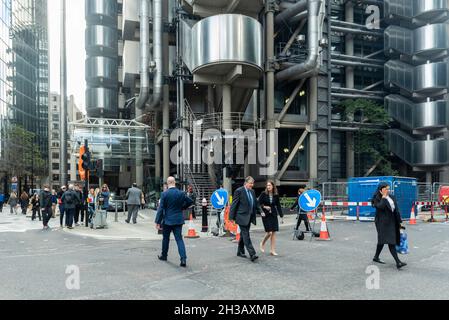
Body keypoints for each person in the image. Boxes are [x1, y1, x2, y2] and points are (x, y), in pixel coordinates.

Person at [155, 177, 194, 268]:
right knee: (179, 239)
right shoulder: (181, 193)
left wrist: (157, 221)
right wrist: (182, 207)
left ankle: (164, 256)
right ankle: (183, 259)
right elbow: (190, 201)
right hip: (178, 219)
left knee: (165, 238)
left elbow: (160, 209)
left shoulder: (164, 194)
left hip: (167, 220)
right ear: (174, 183)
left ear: (168, 183)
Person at [372, 182, 407, 270]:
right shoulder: (376, 198)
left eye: (388, 188)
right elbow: (380, 207)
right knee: (391, 241)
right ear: (381, 190)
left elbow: (396, 210)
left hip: (392, 221)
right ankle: (398, 262)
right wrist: (383, 197)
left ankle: (376, 257)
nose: (388, 190)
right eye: (386, 189)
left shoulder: (392, 197)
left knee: (382, 240)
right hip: (382, 222)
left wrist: (399, 221)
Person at [229, 176, 260, 262]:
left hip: (249, 217)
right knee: (246, 235)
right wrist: (231, 217)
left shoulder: (252, 192)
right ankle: (252, 253)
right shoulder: (239, 191)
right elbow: (234, 204)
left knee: (243, 235)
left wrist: (261, 211)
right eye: (250, 183)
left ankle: (240, 251)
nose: (252, 185)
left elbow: (255, 203)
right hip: (241, 217)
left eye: (253, 183)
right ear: (246, 183)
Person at [258, 180, 284, 256]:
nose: (268, 187)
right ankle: (262, 242)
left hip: (273, 214)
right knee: (269, 232)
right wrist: (265, 207)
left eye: (269, 185)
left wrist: (281, 215)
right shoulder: (263, 194)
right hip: (265, 215)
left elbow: (278, 205)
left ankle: (272, 250)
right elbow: (258, 204)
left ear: (273, 186)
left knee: (273, 233)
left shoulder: (276, 195)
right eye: (267, 185)